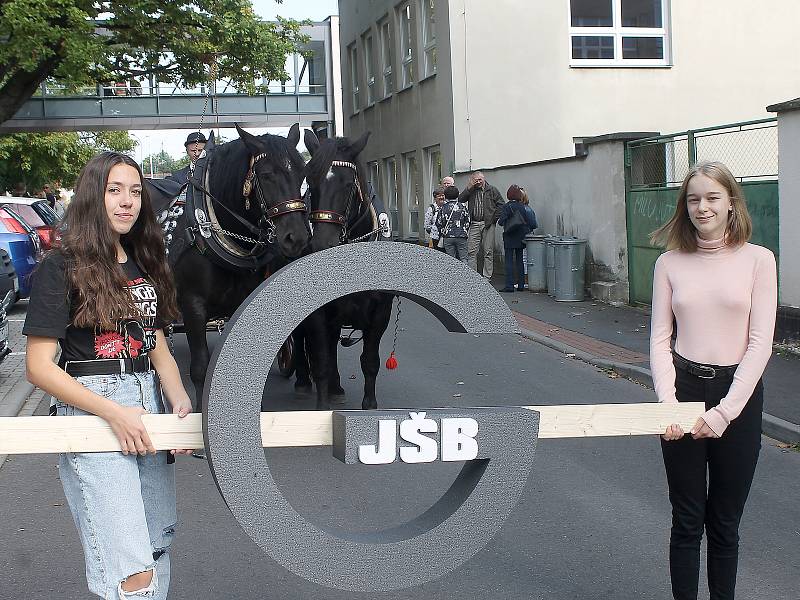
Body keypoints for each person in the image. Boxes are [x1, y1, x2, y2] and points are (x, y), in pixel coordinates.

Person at [23, 152, 194, 600]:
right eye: (114, 190)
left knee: (156, 548)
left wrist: (178, 402)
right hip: (94, 408)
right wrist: (113, 413)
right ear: (91, 197)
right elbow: (38, 367)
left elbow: (155, 346)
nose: (127, 201)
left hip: (148, 406)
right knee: (130, 569)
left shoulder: (145, 259)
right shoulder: (62, 265)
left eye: (135, 191)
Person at [650, 161, 777, 600]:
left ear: (730, 203)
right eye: (693, 199)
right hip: (683, 392)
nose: (701, 207)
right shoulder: (669, 263)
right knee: (686, 520)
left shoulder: (759, 260)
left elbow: (760, 342)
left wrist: (725, 412)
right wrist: (668, 404)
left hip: (737, 398)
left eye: (711, 197)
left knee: (724, 522)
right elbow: (660, 339)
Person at [458, 171, 504, 278]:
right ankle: (473, 277)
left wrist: (493, 219)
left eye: (480, 180)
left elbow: (501, 205)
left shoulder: (492, 189)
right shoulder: (471, 190)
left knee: (488, 251)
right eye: (476, 180)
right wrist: (469, 187)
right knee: (471, 251)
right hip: (474, 223)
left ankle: (487, 277)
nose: (478, 182)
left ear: (484, 179)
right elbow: (461, 200)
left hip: (488, 224)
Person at [498, 184, 536, 292]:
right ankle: (521, 284)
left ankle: (509, 285)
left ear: (509, 195)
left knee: (509, 261)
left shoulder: (507, 206)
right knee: (520, 260)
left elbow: (501, 222)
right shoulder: (522, 206)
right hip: (521, 235)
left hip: (510, 235)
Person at [435, 185, 470, 263]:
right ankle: (465, 274)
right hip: (461, 236)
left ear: (446, 196)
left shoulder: (443, 208)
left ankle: (452, 274)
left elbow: (438, 222)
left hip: (448, 237)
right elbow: (468, 221)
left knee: (451, 260)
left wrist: (443, 231)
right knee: (464, 258)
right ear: (458, 195)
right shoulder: (463, 206)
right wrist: (464, 230)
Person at [424, 186, 446, 250]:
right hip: (436, 237)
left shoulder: (448, 206)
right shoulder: (431, 209)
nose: (441, 197)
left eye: (443, 195)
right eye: (439, 196)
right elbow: (426, 225)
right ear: (435, 197)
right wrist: (435, 229)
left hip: (448, 237)